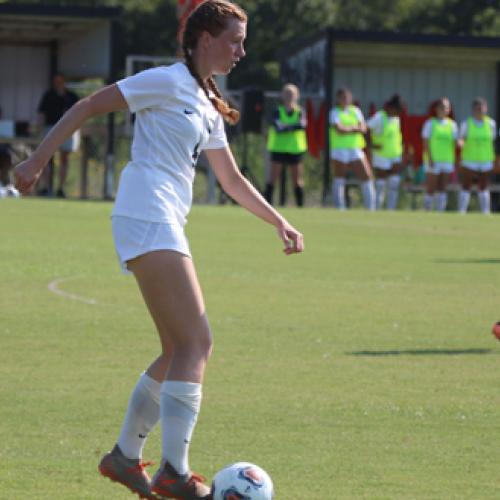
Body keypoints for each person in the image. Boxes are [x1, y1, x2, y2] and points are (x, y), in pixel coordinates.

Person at [14, 2, 303, 499]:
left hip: (161, 220)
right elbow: (87, 106)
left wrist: (278, 220)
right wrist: (38, 158)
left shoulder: (206, 101)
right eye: (235, 40)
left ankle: (126, 456)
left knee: (178, 350)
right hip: (147, 214)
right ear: (205, 39)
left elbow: (231, 179)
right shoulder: (166, 81)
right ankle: (174, 469)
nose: (242, 50)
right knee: (197, 343)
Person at [329, 88, 375, 210]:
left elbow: (363, 128)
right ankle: (339, 207)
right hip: (340, 149)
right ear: (338, 99)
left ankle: (371, 208)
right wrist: (354, 128)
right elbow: (339, 130)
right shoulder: (335, 112)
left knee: (367, 176)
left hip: (355, 148)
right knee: (340, 177)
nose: (345, 100)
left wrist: (349, 128)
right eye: (342, 97)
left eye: (347, 97)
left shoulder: (356, 111)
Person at [265, 83, 308, 207]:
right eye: (287, 93)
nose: (289, 96)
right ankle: (268, 206)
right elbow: (278, 127)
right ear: (282, 95)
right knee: (272, 179)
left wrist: (286, 127)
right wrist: (292, 127)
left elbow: (302, 125)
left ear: (297, 96)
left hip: (295, 149)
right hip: (278, 148)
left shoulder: (300, 112)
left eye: (292, 93)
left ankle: (300, 207)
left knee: (297, 180)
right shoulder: (277, 111)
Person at [37, 73, 79, 197]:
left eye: (60, 81)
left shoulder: (72, 96)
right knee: (45, 158)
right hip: (50, 128)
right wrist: (39, 129)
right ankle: (46, 187)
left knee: (64, 158)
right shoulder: (48, 95)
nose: (58, 83)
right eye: (56, 81)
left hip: (67, 130)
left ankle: (61, 187)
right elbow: (41, 114)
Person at [457, 97, 497, 214]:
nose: (480, 110)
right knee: (466, 185)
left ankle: (485, 212)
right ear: (473, 110)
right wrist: (461, 143)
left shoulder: (491, 124)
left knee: (483, 186)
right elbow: (461, 138)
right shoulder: (466, 123)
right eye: (477, 108)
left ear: (486, 109)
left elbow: (493, 140)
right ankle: (462, 211)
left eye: (482, 108)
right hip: (470, 159)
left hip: (485, 159)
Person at [367, 94, 404, 210]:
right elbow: (366, 129)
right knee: (381, 183)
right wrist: (370, 144)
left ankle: (391, 209)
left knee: (394, 182)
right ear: (391, 107)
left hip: (395, 154)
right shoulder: (379, 117)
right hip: (381, 154)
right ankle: (377, 208)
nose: (398, 113)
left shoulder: (396, 119)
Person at [421, 97, 458, 212]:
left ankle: (440, 211)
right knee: (431, 187)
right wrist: (430, 158)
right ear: (437, 109)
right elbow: (425, 143)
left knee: (442, 188)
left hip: (447, 160)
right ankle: (427, 210)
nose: (444, 109)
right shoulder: (430, 123)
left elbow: (455, 143)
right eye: (442, 107)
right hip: (434, 160)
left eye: (447, 107)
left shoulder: (452, 125)